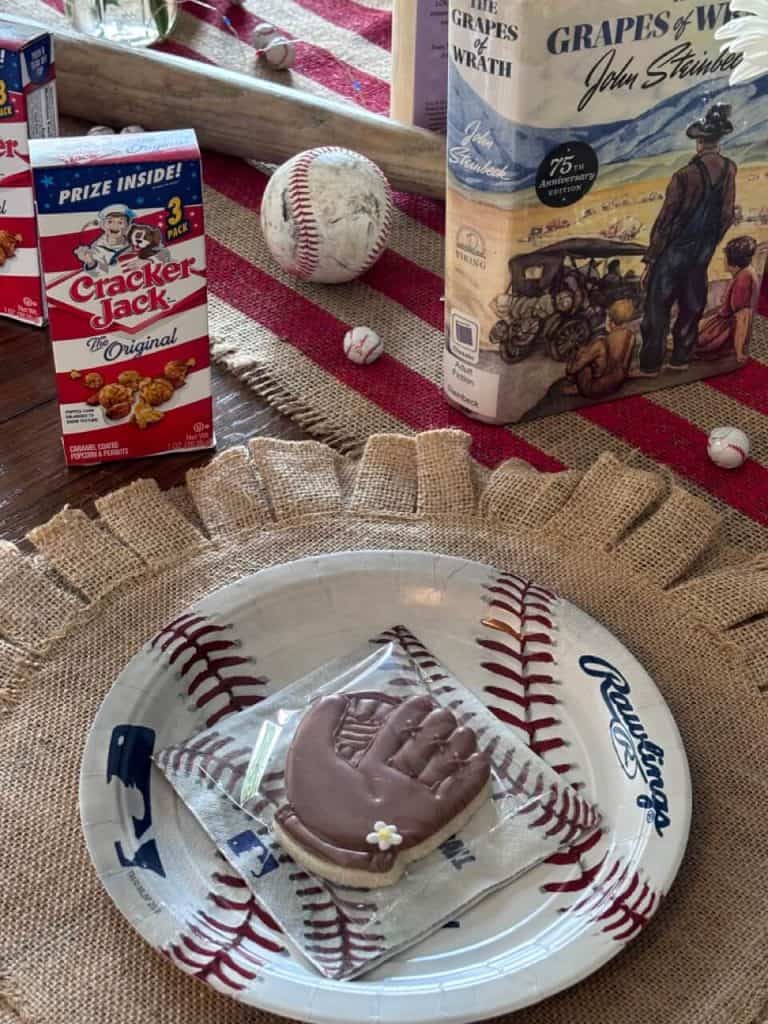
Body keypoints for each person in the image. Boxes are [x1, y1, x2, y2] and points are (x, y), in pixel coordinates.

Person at [636, 104, 736, 376]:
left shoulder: (683, 176)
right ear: (718, 142)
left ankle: (650, 366)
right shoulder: (729, 170)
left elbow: (666, 222)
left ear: (700, 142)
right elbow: (727, 214)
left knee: (657, 308)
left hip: (672, 254)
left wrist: (652, 259)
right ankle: (680, 359)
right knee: (692, 305)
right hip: (700, 255)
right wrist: (709, 244)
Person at [694, 235, 758, 363]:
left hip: (724, 330)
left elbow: (742, 317)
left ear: (732, 259)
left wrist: (739, 352)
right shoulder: (745, 272)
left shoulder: (743, 279)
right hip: (721, 323)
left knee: (686, 341)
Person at [562, 299, 637, 397]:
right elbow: (624, 366)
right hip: (617, 382)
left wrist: (571, 364)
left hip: (594, 389)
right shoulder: (631, 337)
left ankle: (577, 387)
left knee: (582, 354)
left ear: (609, 319)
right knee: (592, 354)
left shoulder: (601, 342)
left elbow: (572, 369)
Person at [74, 203, 135, 274]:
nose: (114, 225)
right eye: (110, 221)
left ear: (128, 226)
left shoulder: (134, 243)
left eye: (120, 222)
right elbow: (97, 275)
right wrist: (91, 263)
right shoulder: (96, 249)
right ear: (103, 225)